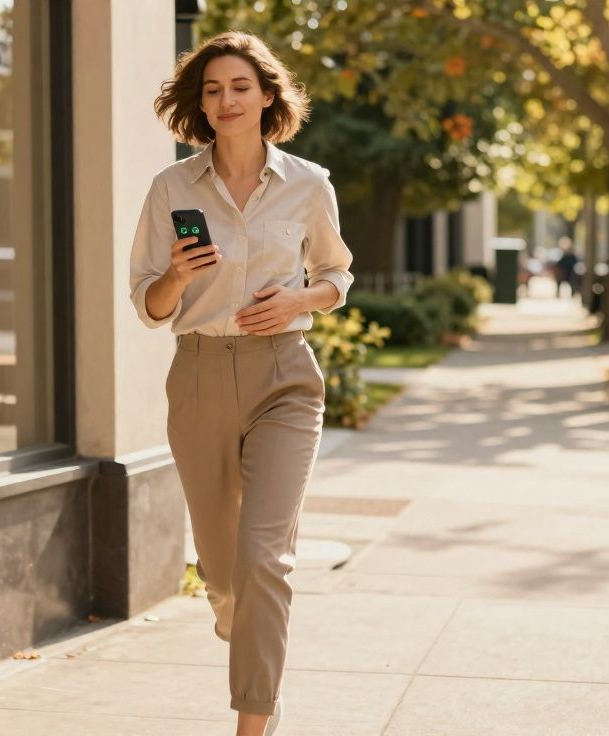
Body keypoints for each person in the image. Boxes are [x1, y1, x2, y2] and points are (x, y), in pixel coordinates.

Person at [129, 32, 353, 736]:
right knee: (225, 574)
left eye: (239, 87)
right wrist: (177, 275)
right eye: (213, 90)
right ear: (202, 105)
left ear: (267, 98)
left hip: (284, 375)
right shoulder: (171, 188)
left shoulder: (309, 183)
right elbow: (148, 305)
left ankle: (253, 716)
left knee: (265, 558)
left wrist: (297, 301)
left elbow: (338, 277)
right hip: (197, 376)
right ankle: (237, 619)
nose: (226, 100)